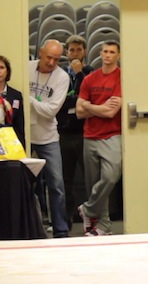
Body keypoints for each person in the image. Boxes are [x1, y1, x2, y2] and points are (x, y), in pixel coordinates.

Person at [75, 40, 122, 236]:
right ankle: (103, 227)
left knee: (110, 177)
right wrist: (98, 108)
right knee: (93, 183)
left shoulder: (122, 78)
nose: (108, 55)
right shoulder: (89, 79)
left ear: (118, 55)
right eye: (105, 51)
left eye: (112, 52)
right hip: (90, 136)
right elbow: (78, 112)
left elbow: (112, 113)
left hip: (112, 134)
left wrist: (89, 106)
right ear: (100, 53)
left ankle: (87, 209)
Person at [29, 40, 71, 238]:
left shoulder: (62, 77)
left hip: (48, 136)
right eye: (49, 57)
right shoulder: (27, 68)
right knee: (24, 183)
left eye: (56, 59)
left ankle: (61, 230)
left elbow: (51, 110)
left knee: (57, 184)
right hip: (25, 134)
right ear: (40, 53)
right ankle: (31, 228)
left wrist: (28, 100)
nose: (52, 62)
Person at [56, 35, 94, 229]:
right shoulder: (61, 74)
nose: (74, 54)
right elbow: (61, 101)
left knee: (89, 177)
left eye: (78, 50)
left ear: (84, 52)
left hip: (83, 133)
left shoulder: (89, 73)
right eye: (71, 50)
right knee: (65, 179)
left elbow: (92, 96)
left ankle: (92, 218)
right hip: (64, 133)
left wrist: (79, 75)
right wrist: (77, 100)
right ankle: (66, 220)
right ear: (66, 52)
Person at [0, 56, 25, 149]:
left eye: (2, 68)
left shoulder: (16, 95)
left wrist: (22, 148)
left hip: (11, 143)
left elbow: (20, 124)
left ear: (7, 71)